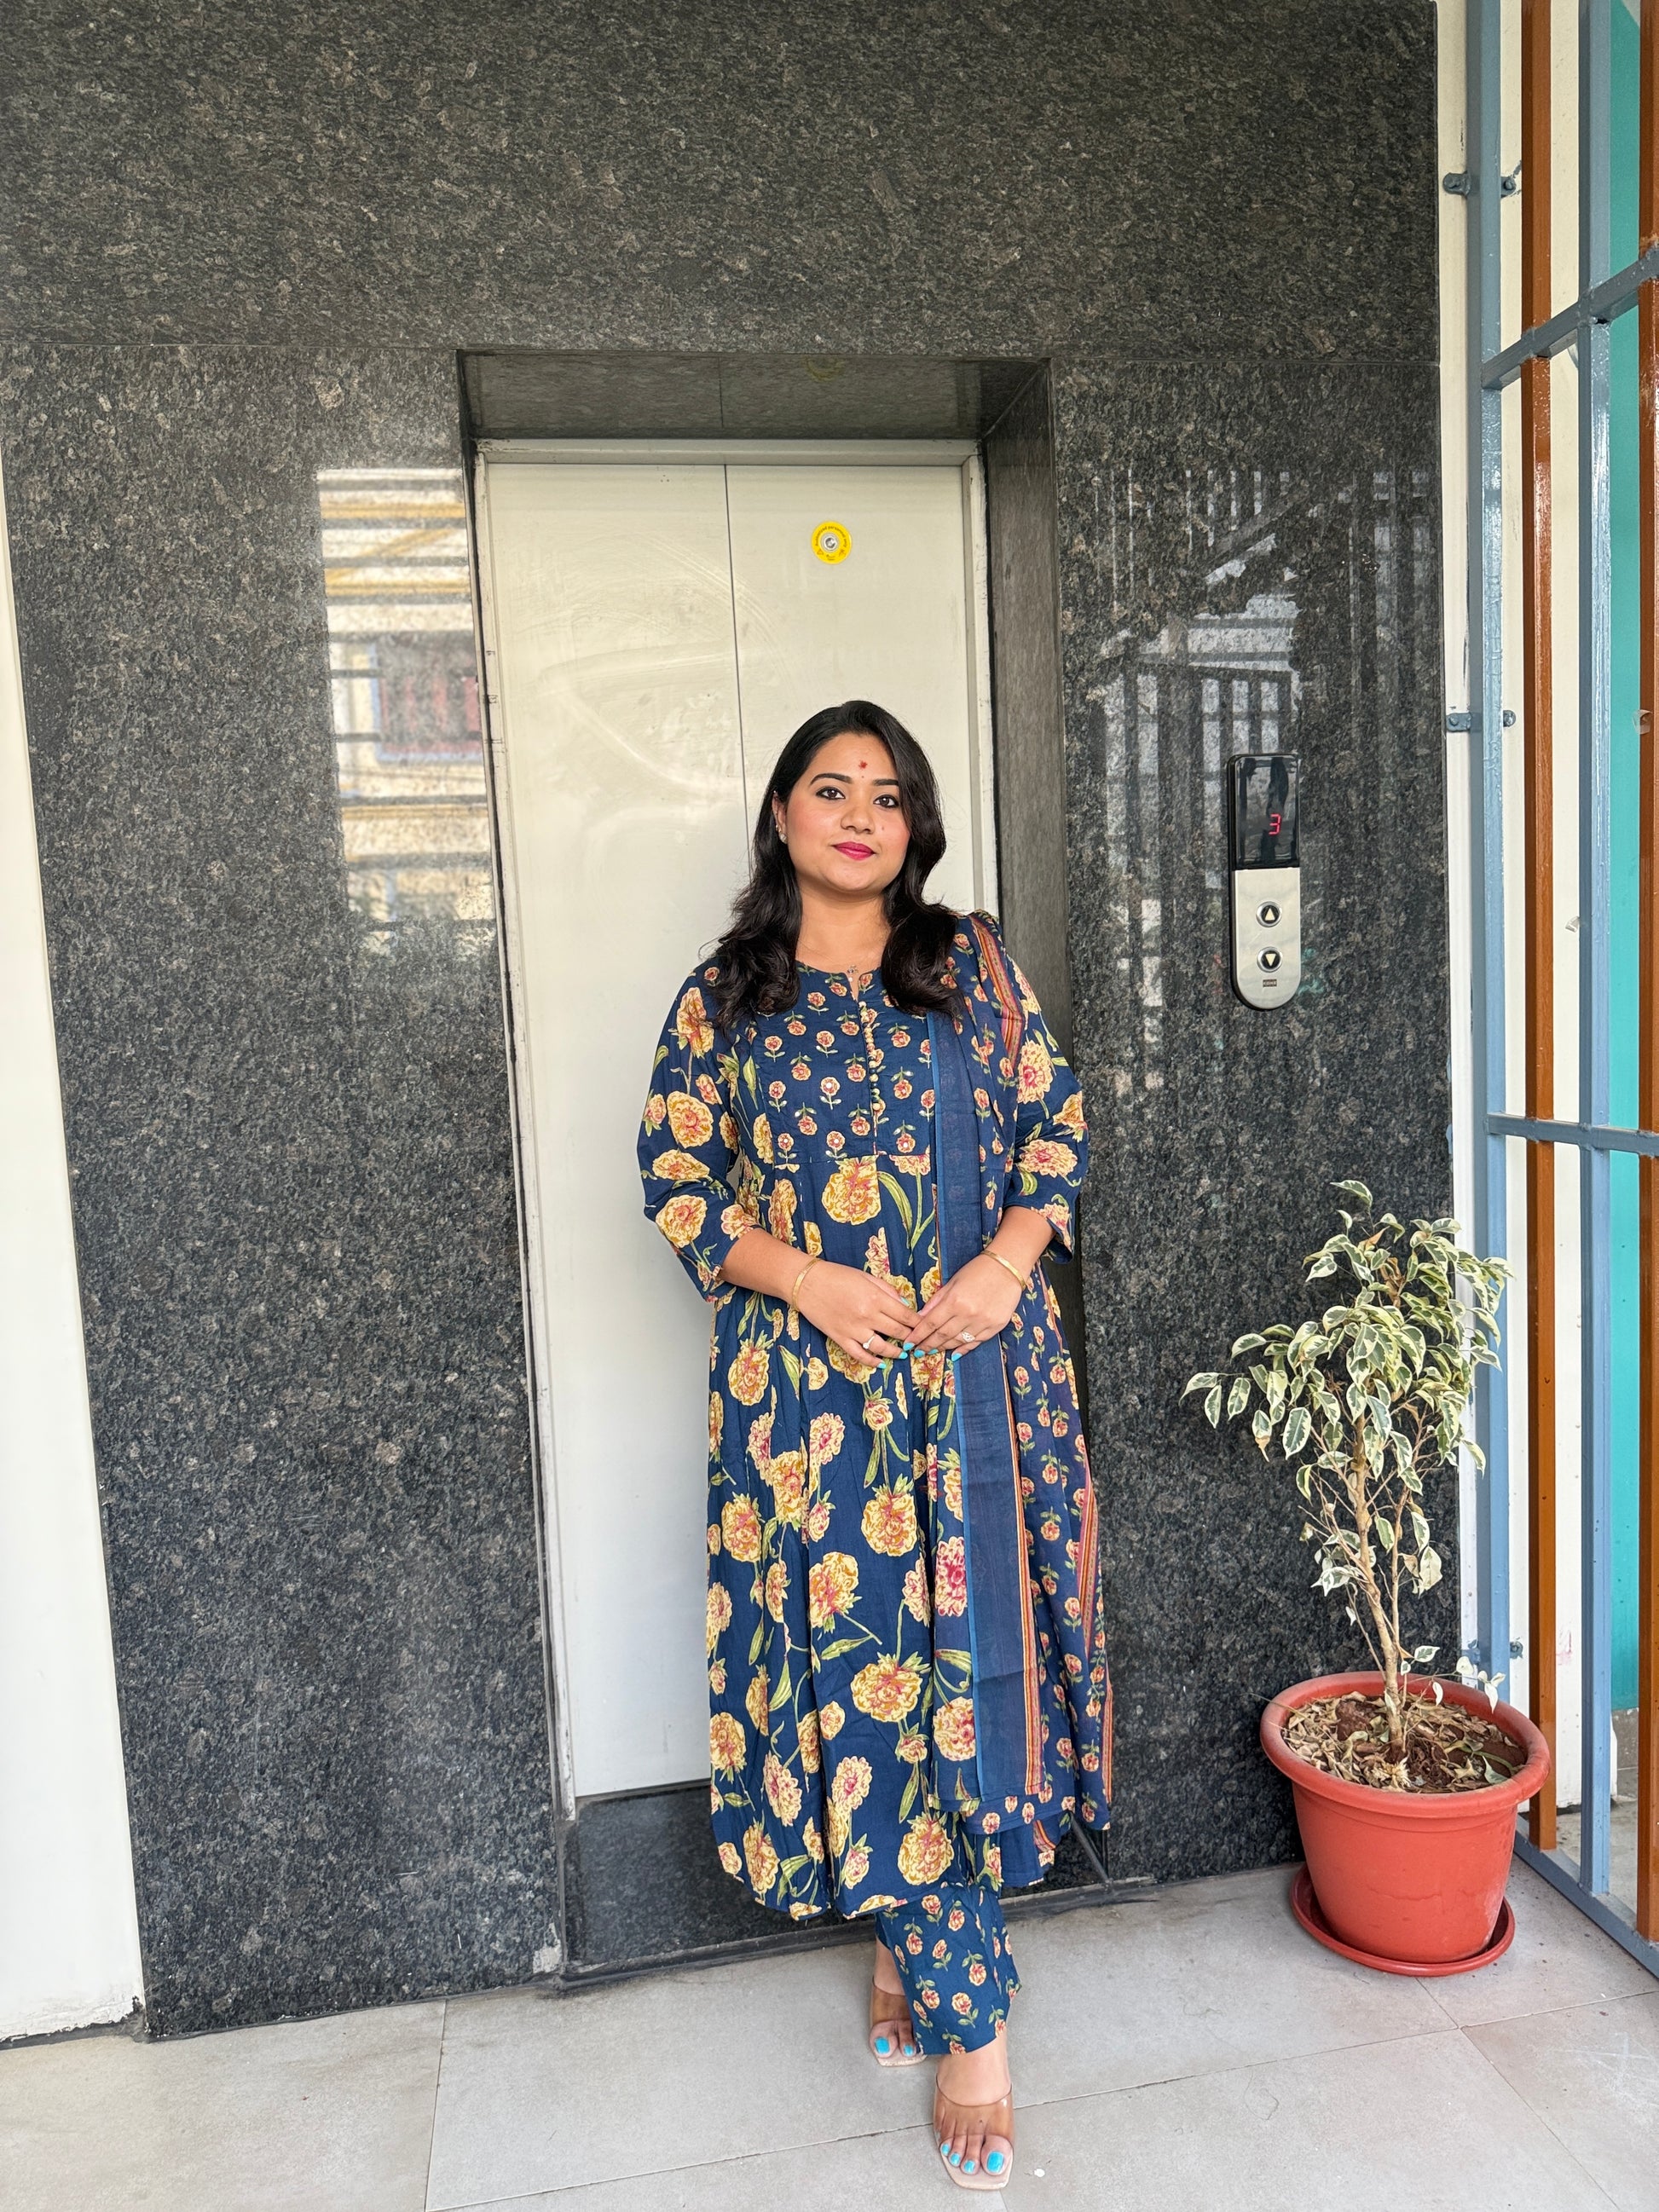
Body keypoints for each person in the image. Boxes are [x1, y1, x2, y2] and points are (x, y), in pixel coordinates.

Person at [639, 701, 1110, 2192]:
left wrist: (1005, 1267)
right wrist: (808, 1279)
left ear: (917, 828)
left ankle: (922, 1958)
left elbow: (1055, 1127)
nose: (859, 814)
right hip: (808, 1404)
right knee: (867, 1676)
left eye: (888, 794)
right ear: (781, 814)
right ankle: (976, 2026)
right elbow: (677, 1183)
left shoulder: (968, 964)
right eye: (830, 788)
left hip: (977, 1380)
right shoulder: (727, 997)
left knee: (969, 1675)